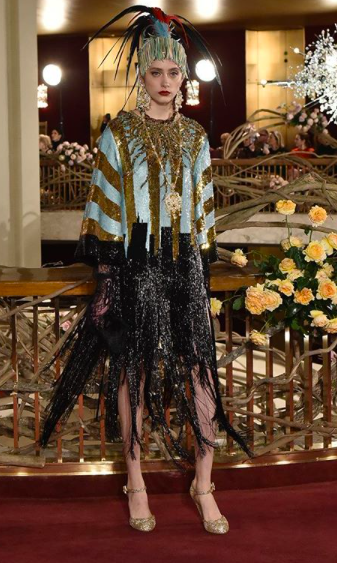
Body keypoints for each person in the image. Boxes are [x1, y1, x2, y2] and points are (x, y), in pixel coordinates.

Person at [39, 5, 253, 535]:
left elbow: (203, 210)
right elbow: (104, 205)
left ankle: (204, 484)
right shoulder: (118, 134)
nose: (164, 81)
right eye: (155, 71)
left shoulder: (197, 137)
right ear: (141, 75)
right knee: (132, 372)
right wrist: (109, 279)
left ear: (183, 78)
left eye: (173, 72)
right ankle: (135, 481)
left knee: (201, 371)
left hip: (185, 267)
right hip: (136, 267)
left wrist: (200, 271)